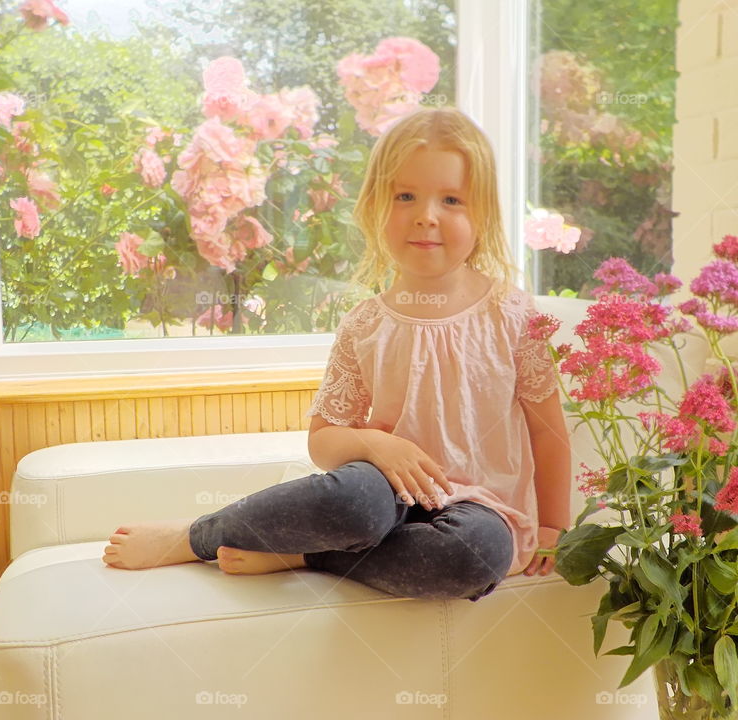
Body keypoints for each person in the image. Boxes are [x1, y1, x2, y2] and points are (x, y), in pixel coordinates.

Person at [102, 107, 571, 602]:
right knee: (353, 502)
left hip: (482, 508)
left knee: (473, 556)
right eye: (405, 196)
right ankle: (199, 535)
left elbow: (548, 429)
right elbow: (323, 440)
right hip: (388, 491)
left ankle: (310, 554)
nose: (426, 215)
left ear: (483, 214)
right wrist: (374, 445)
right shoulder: (366, 324)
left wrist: (554, 526)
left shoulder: (513, 314)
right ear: (375, 207)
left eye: (451, 199)